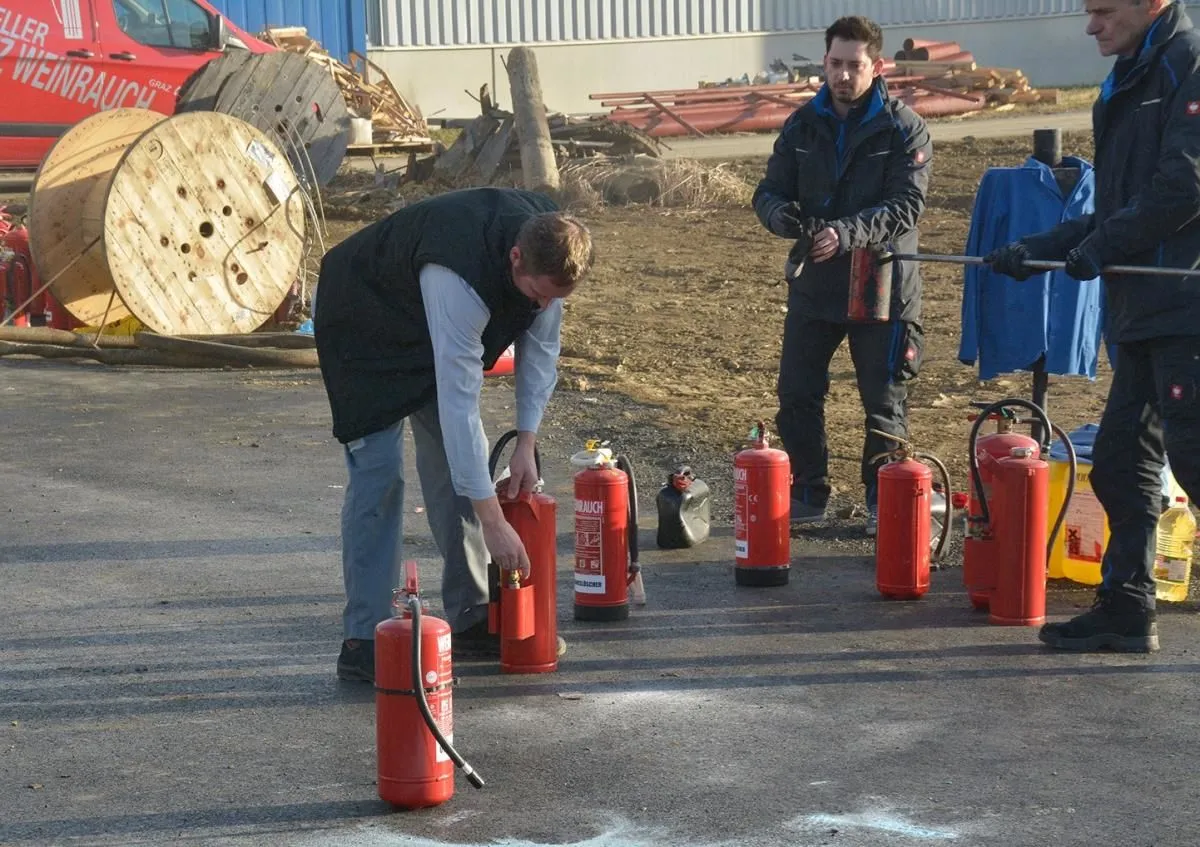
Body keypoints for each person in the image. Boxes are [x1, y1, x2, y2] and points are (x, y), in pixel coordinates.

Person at [985, 0, 1200, 653]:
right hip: (1140, 311)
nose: (1090, 26)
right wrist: (1038, 248)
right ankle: (1128, 605)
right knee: (1116, 463)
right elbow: (1114, 206)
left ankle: (1130, 602)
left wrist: (1103, 247)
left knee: (1193, 455)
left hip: (1184, 304)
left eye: (1103, 10)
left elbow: (1185, 185)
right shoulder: (1128, 78)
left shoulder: (1188, 67)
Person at [313, 187, 595, 682]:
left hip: (422, 321)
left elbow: (541, 354)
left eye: (556, 298)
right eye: (538, 295)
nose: (544, 306)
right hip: (363, 322)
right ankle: (363, 639)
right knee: (379, 479)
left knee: (456, 467)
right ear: (514, 259)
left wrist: (527, 442)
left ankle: (471, 616)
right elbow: (459, 402)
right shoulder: (458, 277)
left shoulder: (547, 252)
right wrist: (493, 522)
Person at [752, 15, 933, 534]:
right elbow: (768, 191)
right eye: (835, 64)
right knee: (797, 393)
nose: (843, 75)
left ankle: (885, 501)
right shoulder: (803, 124)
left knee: (883, 400)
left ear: (877, 67)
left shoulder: (904, 128)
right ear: (825, 62)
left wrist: (847, 234)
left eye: (855, 65)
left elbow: (906, 206)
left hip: (882, 287)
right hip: (816, 282)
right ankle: (809, 492)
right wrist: (779, 216)